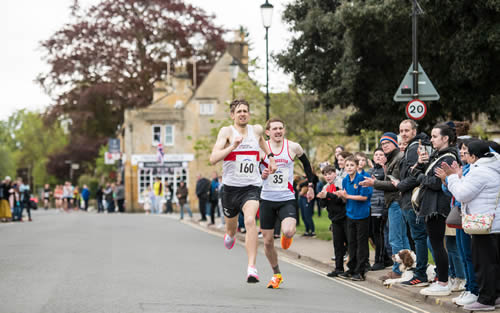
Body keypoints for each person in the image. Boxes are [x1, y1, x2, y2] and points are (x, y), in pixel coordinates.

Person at [209, 99, 276, 283]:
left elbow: (262, 141)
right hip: (230, 189)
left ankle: (252, 267)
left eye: (245, 110)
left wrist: (270, 158)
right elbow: (213, 158)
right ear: (233, 115)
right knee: (231, 230)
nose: (242, 114)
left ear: (249, 114)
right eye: (239, 111)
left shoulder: (256, 130)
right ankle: (230, 234)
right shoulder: (227, 132)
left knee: (249, 221)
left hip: (251, 187)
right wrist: (233, 147)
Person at [441, 140, 500, 311]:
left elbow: (461, 194)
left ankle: (485, 300)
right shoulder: (495, 168)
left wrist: (451, 177)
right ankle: (495, 296)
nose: (464, 156)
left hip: (483, 224)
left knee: (483, 263)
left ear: (474, 156)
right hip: (494, 222)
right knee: (494, 262)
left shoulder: (480, 171)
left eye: (466, 153)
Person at [259, 118, 315, 288]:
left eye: (280, 128)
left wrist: (310, 185)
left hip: (287, 198)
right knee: (268, 242)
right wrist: (261, 175)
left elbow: (306, 164)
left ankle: (286, 234)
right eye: (274, 129)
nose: (278, 131)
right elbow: (252, 170)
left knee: (289, 231)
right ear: (267, 132)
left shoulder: (293, 147)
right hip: (267, 199)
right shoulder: (261, 148)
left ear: (284, 130)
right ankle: (277, 274)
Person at [411, 122, 459, 296]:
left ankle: (443, 282)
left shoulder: (448, 158)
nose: (431, 140)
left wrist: (419, 175)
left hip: (437, 206)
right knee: (436, 243)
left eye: (434, 136)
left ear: (445, 138)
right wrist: (421, 165)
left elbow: (437, 184)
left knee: (437, 244)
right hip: (432, 205)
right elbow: (430, 177)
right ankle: (444, 280)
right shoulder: (440, 155)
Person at [360, 132, 409, 281]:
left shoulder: (399, 158)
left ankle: (397, 270)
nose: (384, 145)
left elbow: (395, 185)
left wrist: (374, 183)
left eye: (387, 142)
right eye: (382, 144)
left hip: (396, 202)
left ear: (395, 142)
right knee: (402, 238)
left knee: (395, 239)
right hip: (395, 202)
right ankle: (408, 268)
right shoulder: (392, 159)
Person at [392, 119, 431, 286]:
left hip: (413, 201)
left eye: (407, 130)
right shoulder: (412, 147)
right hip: (410, 199)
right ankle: (422, 271)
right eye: (401, 130)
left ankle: (421, 274)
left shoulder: (415, 147)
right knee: (419, 237)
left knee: (419, 237)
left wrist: (400, 185)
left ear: (414, 131)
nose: (403, 133)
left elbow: (415, 174)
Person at [338, 156, 373, 281]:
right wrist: (342, 196)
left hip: (362, 215)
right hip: (350, 214)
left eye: (352, 165)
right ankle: (351, 268)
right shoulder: (345, 180)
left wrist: (347, 196)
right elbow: (345, 198)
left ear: (357, 166)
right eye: (347, 165)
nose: (349, 168)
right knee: (351, 243)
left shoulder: (362, 179)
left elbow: (364, 198)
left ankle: (360, 271)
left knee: (361, 243)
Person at [317, 165, 347, 277]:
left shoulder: (340, 183)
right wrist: (322, 198)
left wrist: (328, 195)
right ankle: (339, 268)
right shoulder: (325, 187)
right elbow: (322, 205)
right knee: (337, 245)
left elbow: (342, 201)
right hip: (334, 219)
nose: (328, 176)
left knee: (349, 243)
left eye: (330, 174)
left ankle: (355, 268)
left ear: (335, 173)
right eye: (325, 174)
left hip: (345, 217)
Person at [367, 148, 392, 271]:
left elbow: (390, 182)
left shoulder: (386, 169)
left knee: (379, 233)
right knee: (371, 233)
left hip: (381, 205)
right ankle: (387, 258)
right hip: (370, 205)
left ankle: (380, 260)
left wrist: (385, 168)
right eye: (376, 154)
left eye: (381, 154)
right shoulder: (370, 171)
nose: (378, 156)